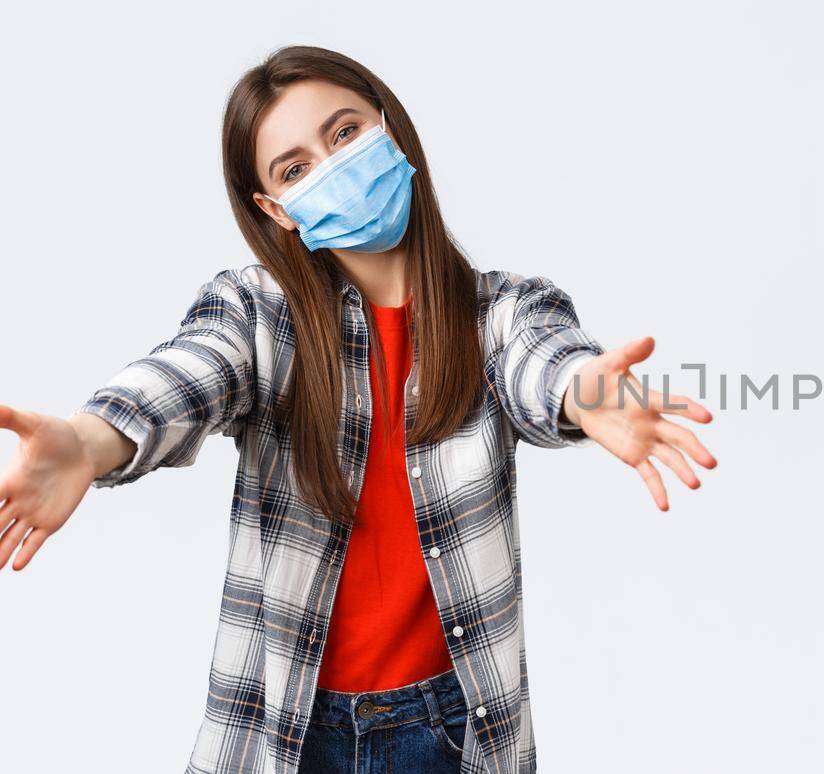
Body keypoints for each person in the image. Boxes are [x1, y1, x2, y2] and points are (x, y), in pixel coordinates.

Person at [0, 45, 716, 773]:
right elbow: (189, 371)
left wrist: (584, 392)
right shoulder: (256, 313)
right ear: (277, 210)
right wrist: (92, 440)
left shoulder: (500, 311)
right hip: (282, 730)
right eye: (295, 167)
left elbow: (543, 358)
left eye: (344, 133)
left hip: (451, 732)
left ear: (388, 127)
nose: (333, 167)